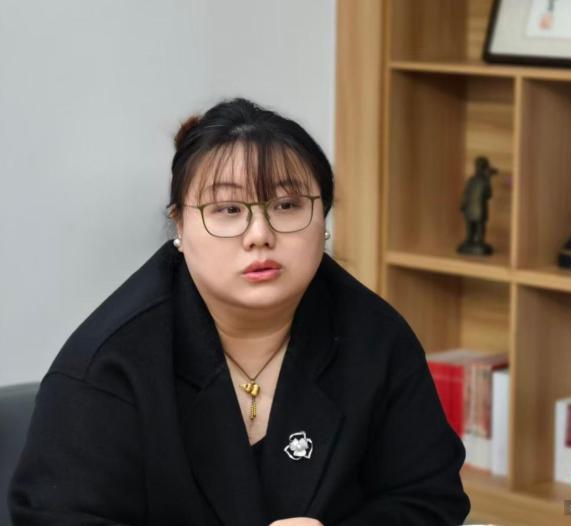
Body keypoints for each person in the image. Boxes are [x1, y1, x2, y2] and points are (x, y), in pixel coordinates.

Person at [8, 98, 470, 525]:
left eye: (286, 205)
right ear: (180, 224)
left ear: (323, 219)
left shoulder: (376, 339)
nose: (259, 234)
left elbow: (430, 498)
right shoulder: (109, 363)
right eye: (228, 209)